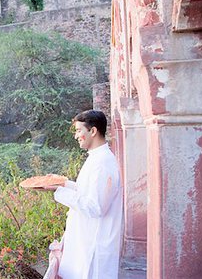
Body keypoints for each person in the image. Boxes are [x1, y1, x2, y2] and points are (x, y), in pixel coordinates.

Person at [44, 110, 123, 279]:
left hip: (94, 247)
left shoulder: (102, 163)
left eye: (79, 130)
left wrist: (60, 191)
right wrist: (61, 184)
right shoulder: (96, 158)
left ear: (93, 131)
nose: (76, 136)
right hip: (85, 242)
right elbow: (87, 191)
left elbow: (95, 207)